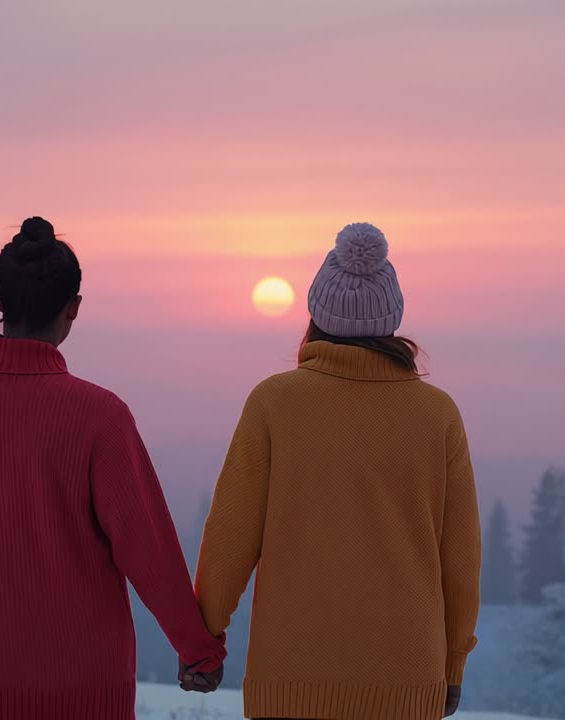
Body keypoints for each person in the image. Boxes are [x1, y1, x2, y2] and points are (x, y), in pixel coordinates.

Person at [0, 217, 225, 720]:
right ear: (73, 307)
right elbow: (149, 551)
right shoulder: (99, 415)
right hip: (84, 694)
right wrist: (198, 649)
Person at [187, 222, 481, 720]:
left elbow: (230, 537)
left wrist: (203, 638)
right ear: (391, 318)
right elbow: (460, 558)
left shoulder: (274, 403)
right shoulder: (438, 415)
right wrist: (452, 665)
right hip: (405, 683)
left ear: (316, 314)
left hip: (290, 683)